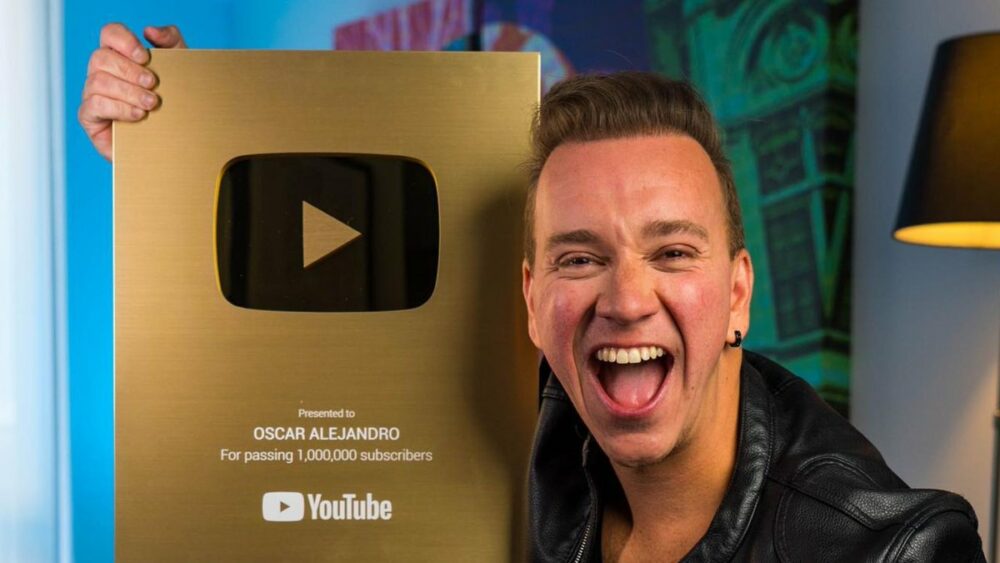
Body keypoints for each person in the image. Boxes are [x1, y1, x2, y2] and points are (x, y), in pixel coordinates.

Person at [81, 23, 986, 562]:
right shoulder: (541, 415)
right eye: (581, 258)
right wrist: (184, 134)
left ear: (738, 293)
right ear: (529, 298)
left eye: (672, 251)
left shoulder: (891, 549)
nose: (626, 298)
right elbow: (320, 332)